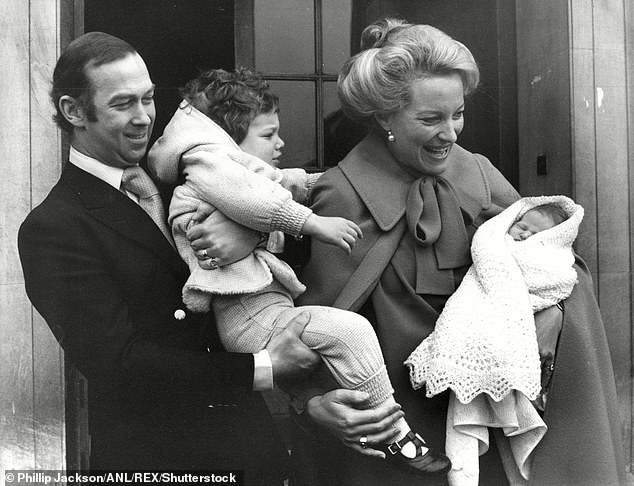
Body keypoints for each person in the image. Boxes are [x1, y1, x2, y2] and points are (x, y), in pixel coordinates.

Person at [290, 17, 624, 486]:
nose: (451, 133)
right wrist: (315, 402)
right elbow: (313, 326)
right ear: (383, 117)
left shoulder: (480, 172)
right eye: (430, 119)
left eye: (458, 114)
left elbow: (555, 260)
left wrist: (551, 315)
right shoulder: (341, 196)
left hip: (491, 418)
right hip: (398, 435)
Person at [17, 32, 322, 483]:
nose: (144, 119)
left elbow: (291, 245)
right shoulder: (56, 227)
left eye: (149, 98)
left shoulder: (181, 175)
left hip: (252, 449)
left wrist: (249, 237)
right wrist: (263, 367)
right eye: (123, 104)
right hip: (160, 460)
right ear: (73, 111)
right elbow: (118, 363)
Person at [146, 67, 451, 477]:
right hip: (251, 319)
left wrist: (331, 181)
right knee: (350, 332)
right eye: (268, 135)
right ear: (230, 142)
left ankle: (386, 429)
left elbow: (277, 182)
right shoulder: (209, 169)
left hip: (267, 312)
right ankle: (395, 433)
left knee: (345, 343)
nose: (281, 143)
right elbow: (255, 198)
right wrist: (311, 222)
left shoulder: (227, 173)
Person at [405, 195, 583, 485]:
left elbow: (557, 281)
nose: (524, 234)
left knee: (510, 414)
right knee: (467, 408)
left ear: (550, 240)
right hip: (474, 331)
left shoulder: (549, 258)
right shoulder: (494, 244)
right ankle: (463, 476)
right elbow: (487, 262)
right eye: (521, 226)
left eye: (535, 234)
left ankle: (518, 475)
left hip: (513, 338)